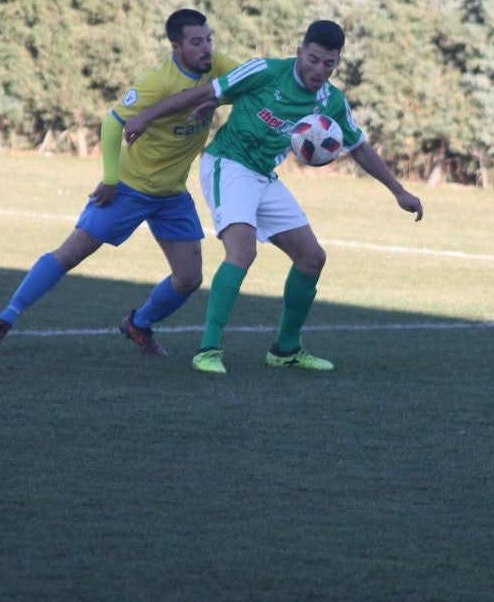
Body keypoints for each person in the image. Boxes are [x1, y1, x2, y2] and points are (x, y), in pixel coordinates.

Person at [124, 19, 423, 374]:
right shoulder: (265, 70)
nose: (320, 70)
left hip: (264, 175)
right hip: (229, 164)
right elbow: (207, 93)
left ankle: (285, 349)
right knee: (243, 250)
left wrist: (398, 190)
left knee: (312, 258)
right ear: (300, 52)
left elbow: (358, 147)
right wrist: (146, 116)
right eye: (313, 59)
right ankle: (207, 350)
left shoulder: (332, 101)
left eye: (329, 64)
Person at [0, 8, 237, 356]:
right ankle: (3, 320)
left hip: (172, 194)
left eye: (208, 39)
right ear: (176, 47)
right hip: (129, 187)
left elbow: (251, 83)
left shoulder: (215, 65)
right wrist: (110, 179)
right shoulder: (156, 82)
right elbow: (112, 124)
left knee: (189, 279)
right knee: (71, 254)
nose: (207, 48)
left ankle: (138, 325)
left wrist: (213, 98)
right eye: (196, 42)